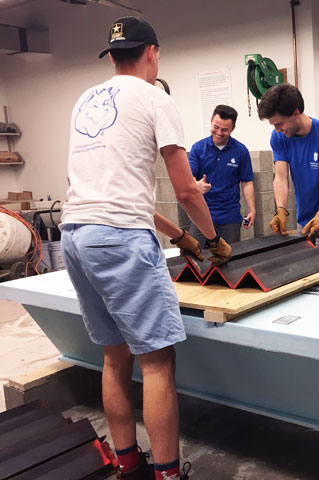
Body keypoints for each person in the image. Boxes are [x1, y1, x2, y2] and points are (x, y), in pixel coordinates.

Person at [60, 17, 231, 480]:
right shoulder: (156, 98)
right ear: (153, 52)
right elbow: (186, 192)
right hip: (119, 240)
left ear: (112, 56)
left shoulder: (85, 99)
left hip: (75, 233)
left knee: (115, 354)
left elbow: (110, 192)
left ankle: (126, 462)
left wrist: (180, 237)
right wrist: (213, 240)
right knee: (157, 361)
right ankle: (169, 473)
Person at [257, 83, 319, 244]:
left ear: (296, 113)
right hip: (304, 216)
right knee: (308, 264)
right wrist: (280, 208)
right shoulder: (279, 137)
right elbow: (280, 177)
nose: (277, 129)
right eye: (273, 125)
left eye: (280, 123)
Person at [188, 104, 256, 245]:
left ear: (233, 129)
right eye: (216, 127)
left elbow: (247, 182)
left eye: (225, 130)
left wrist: (252, 209)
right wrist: (196, 186)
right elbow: (189, 179)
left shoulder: (241, 151)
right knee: (196, 257)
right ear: (211, 121)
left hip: (229, 218)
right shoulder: (198, 149)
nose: (219, 133)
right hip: (201, 215)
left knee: (229, 260)